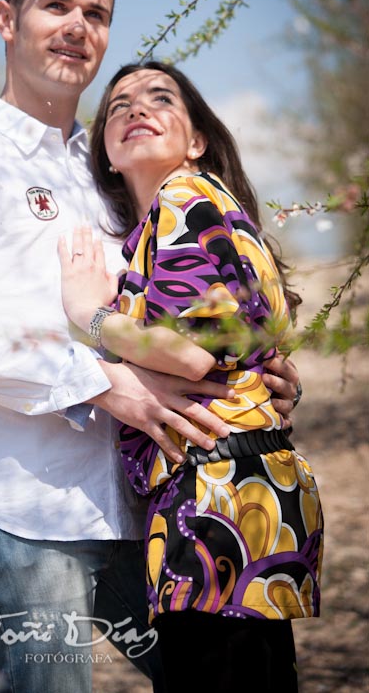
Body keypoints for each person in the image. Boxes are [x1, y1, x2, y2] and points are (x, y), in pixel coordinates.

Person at [0, 0, 300, 693]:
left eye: (96, 13)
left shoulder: (111, 167)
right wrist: (96, 380)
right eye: (56, 6)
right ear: (6, 20)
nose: (78, 25)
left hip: (151, 507)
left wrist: (254, 367)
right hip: (22, 514)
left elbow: (184, 298)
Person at [58, 61, 323, 693]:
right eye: (117, 106)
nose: (134, 109)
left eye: (159, 98)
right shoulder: (190, 217)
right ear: (107, 157)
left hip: (215, 507)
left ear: (197, 139)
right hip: (245, 494)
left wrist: (87, 315)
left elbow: (193, 350)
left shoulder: (184, 198)